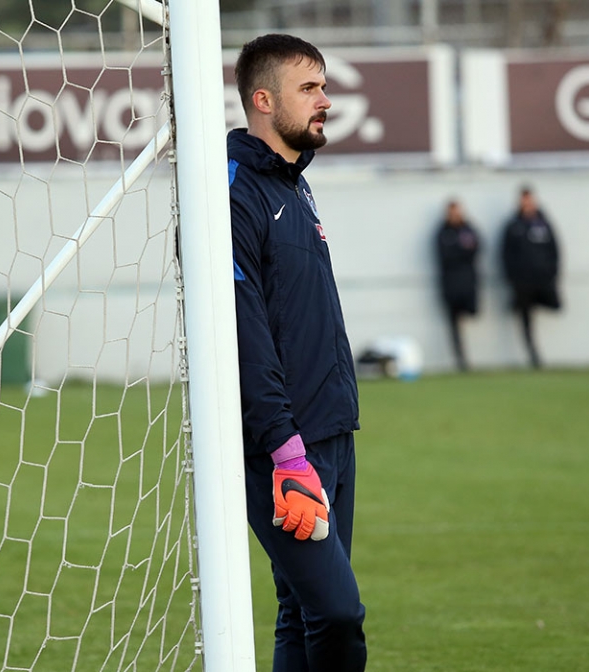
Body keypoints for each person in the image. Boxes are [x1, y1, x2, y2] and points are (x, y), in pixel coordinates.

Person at [227, 34, 366, 672]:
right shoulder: (234, 193)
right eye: (308, 88)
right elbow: (245, 332)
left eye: (324, 87)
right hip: (286, 449)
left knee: (302, 610)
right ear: (263, 100)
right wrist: (287, 453)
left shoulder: (295, 186)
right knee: (339, 613)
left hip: (333, 433)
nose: (325, 101)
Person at [500, 186, 561, 368]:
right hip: (522, 281)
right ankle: (533, 356)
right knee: (525, 316)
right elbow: (505, 254)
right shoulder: (513, 225)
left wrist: (552, 273)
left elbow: (554, 250)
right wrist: (512, 278)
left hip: (543, 279)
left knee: (555, 304)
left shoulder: (543, 223)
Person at [435, 199, 481, 371]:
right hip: (451, 284)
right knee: (454, 322)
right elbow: (445, 256)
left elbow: (476, 248)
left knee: (470, 315)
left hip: (468, 283)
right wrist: (461, 250)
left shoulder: (468, 229)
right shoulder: (443, 232)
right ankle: (461, 360)